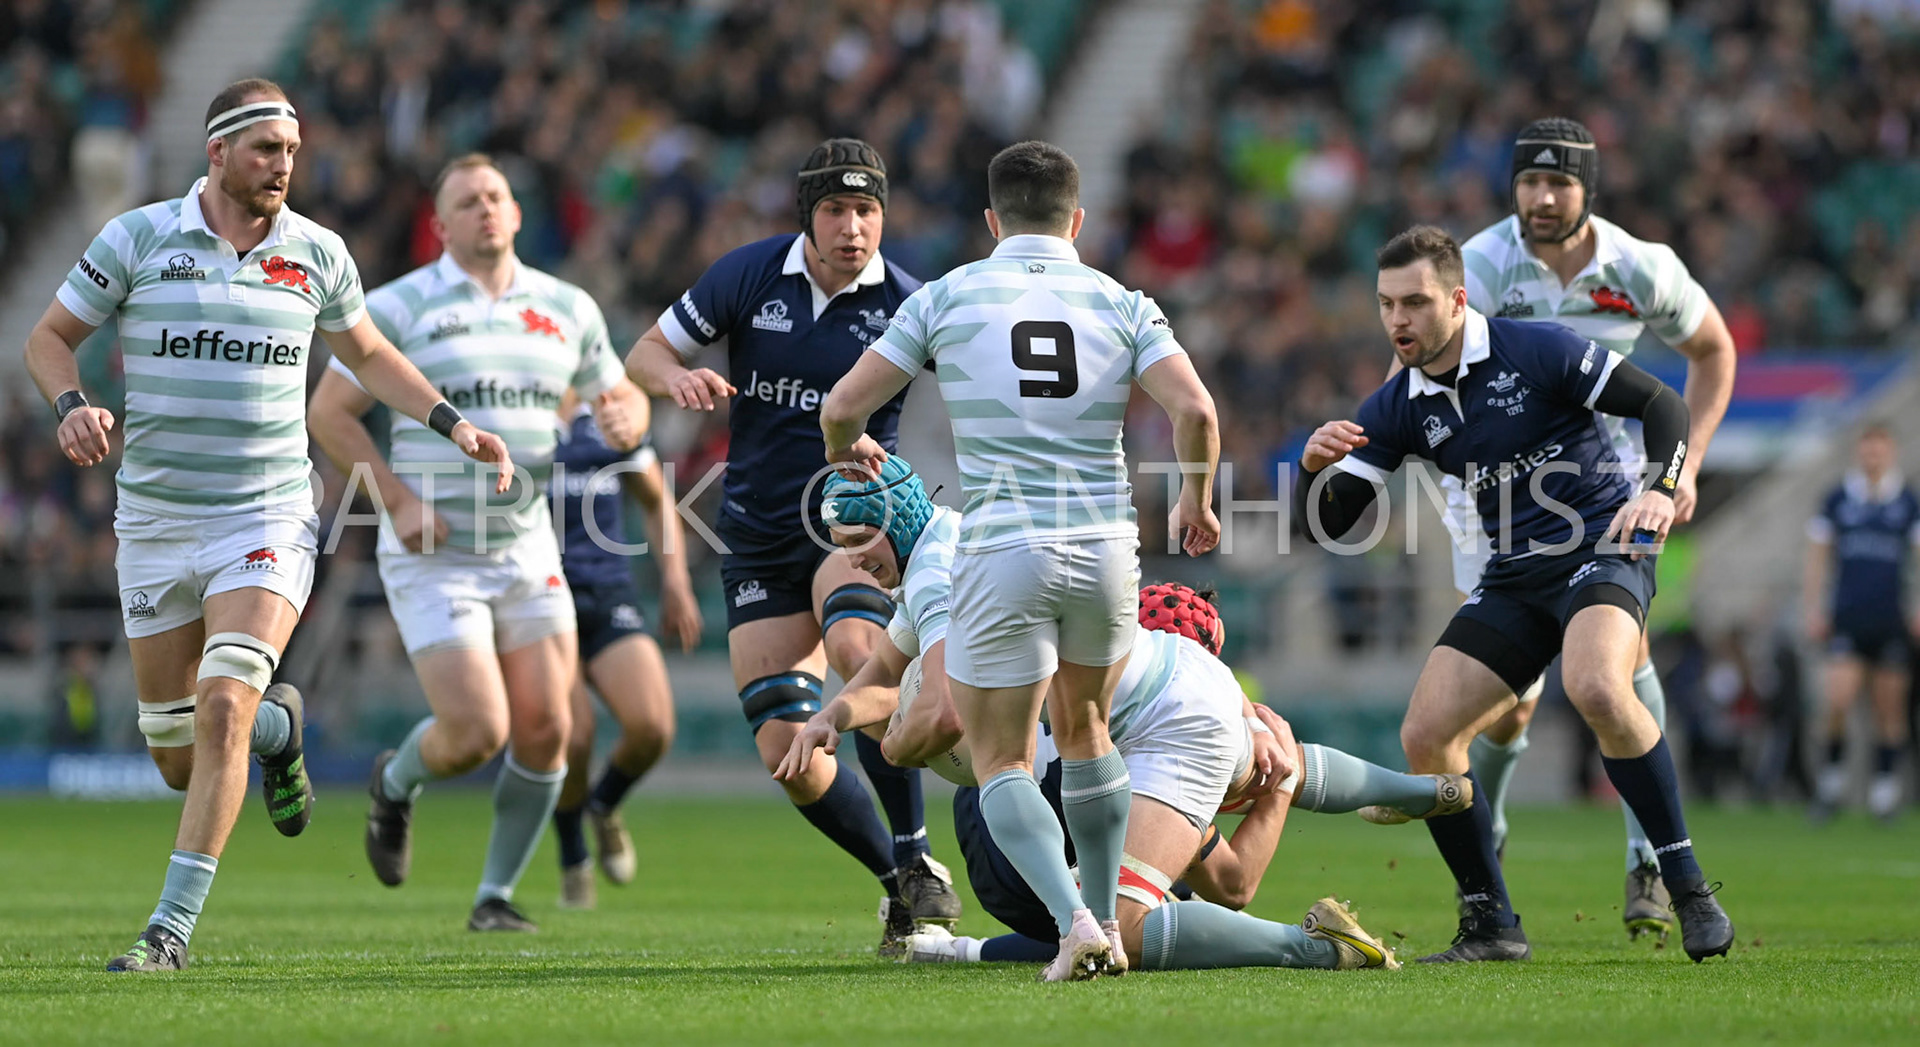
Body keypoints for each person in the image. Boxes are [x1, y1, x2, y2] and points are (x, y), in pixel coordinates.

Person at [24, 80, 512, 971]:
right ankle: (279, 731)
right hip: (156, 523)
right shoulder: (136, 238)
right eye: (264, 150)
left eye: (291, 150)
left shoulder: (318, 253)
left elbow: (369, 355)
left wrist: (452, 422)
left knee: (220, 707)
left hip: (268, 514)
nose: (283, 165)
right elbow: (48, 336)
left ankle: (168, 931)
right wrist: (71, 403)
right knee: (178, 755)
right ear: (217, 152)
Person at [820, 140, 1221, 980]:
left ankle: (1075, 923)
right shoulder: (1122, 300)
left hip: (1002, 544)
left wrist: (846, 448)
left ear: (993, 221)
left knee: (1002, 757)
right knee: (1086, 731)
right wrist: (1195, 498)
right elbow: (1196, 409)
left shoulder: (949, 294)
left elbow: (843, 404)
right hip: (1107, 544)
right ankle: (1108, 919)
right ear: (1077, 220)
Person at [1293, 225, 1735, 963]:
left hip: (1600, 545)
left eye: (1415, 302)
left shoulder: (1537, 348)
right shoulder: (1397, 403)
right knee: (1425, 736)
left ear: (1458, 299)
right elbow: (1326, 527)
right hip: (1514, 575)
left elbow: (1664, 406)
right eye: (1385, 304)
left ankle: (1682, 882)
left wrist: (1659, 488)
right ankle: (1491, 923)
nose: (1398, 319)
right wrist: (1313, 470)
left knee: (1594, 682)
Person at [623, 139, 959, 953]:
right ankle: (896, 884)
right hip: (757, 533)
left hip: (848, 521)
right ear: (807, 214)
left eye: (868, 211)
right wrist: (677, 379)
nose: (854, 228)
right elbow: (643, 353)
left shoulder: (911, 303)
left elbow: (982, 387)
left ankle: (917, 853)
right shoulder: (748, 274)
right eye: (837, 211)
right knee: (788, 750)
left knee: (856, 648)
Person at [308, 153, 638, 932]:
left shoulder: (569, 307)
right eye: (467, 200)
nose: (486, 208)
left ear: (518, 213)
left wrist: (633, 418)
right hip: (437, 549)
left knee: (551, 728)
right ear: (442, 224)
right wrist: (396, 500)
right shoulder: (398, 307)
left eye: (497, 196)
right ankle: (396, 780)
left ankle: (494, 895)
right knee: (478, 729)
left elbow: (617, 398)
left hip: (526, 544)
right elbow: (330, 414)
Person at [1451, 117, 1738, 940]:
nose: (1542, 199)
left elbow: (1712, 352)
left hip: (1613, 499)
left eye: (1560, 184)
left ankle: (1649, 854)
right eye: (1529, 183)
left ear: (1589, 189)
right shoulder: (1478, 266)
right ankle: (1492, 821)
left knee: (1619, 661)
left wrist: (1681, 469)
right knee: (1512, 701)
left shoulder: (1639, 267)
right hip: (1499, 498)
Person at [548, 381, 701, 908]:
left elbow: (656, 499)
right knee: (574, 737)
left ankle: (604, 805)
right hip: (542, 599)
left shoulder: (609, 412)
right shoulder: (513, 409)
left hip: (608, 589)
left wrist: (675, 580)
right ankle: (572, 853)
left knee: (653, 726)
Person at [1805, 423, 1918, 822]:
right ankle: (1830, 785)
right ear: (1859, 453)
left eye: (1880, 451)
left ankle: (1884, 794)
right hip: (1847, 617)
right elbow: (1818, 557)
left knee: (1889, 709)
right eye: (1867, 450)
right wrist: (1814, 607)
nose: (1873, 458)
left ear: (1890, 453)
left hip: (1890, 618)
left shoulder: (1907, 501)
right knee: (1837, 701)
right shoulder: (1838, 499)